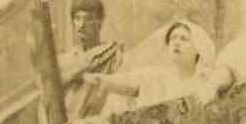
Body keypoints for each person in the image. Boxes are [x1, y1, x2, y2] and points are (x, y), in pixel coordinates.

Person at [84, 17, 220, 109]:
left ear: (198, 49)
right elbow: (127, 81)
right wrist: (100, 80)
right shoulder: (154, 76)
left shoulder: (208, 80)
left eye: (184, 39)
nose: (176, 42)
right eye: (173, 38)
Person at [57, 0, 124, 120]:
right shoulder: (65, 60)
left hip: (99, 121)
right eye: (77, 18)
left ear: (99, 22)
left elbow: (117, 94)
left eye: (88, 19)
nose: (81, 25)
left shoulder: (113, 54)